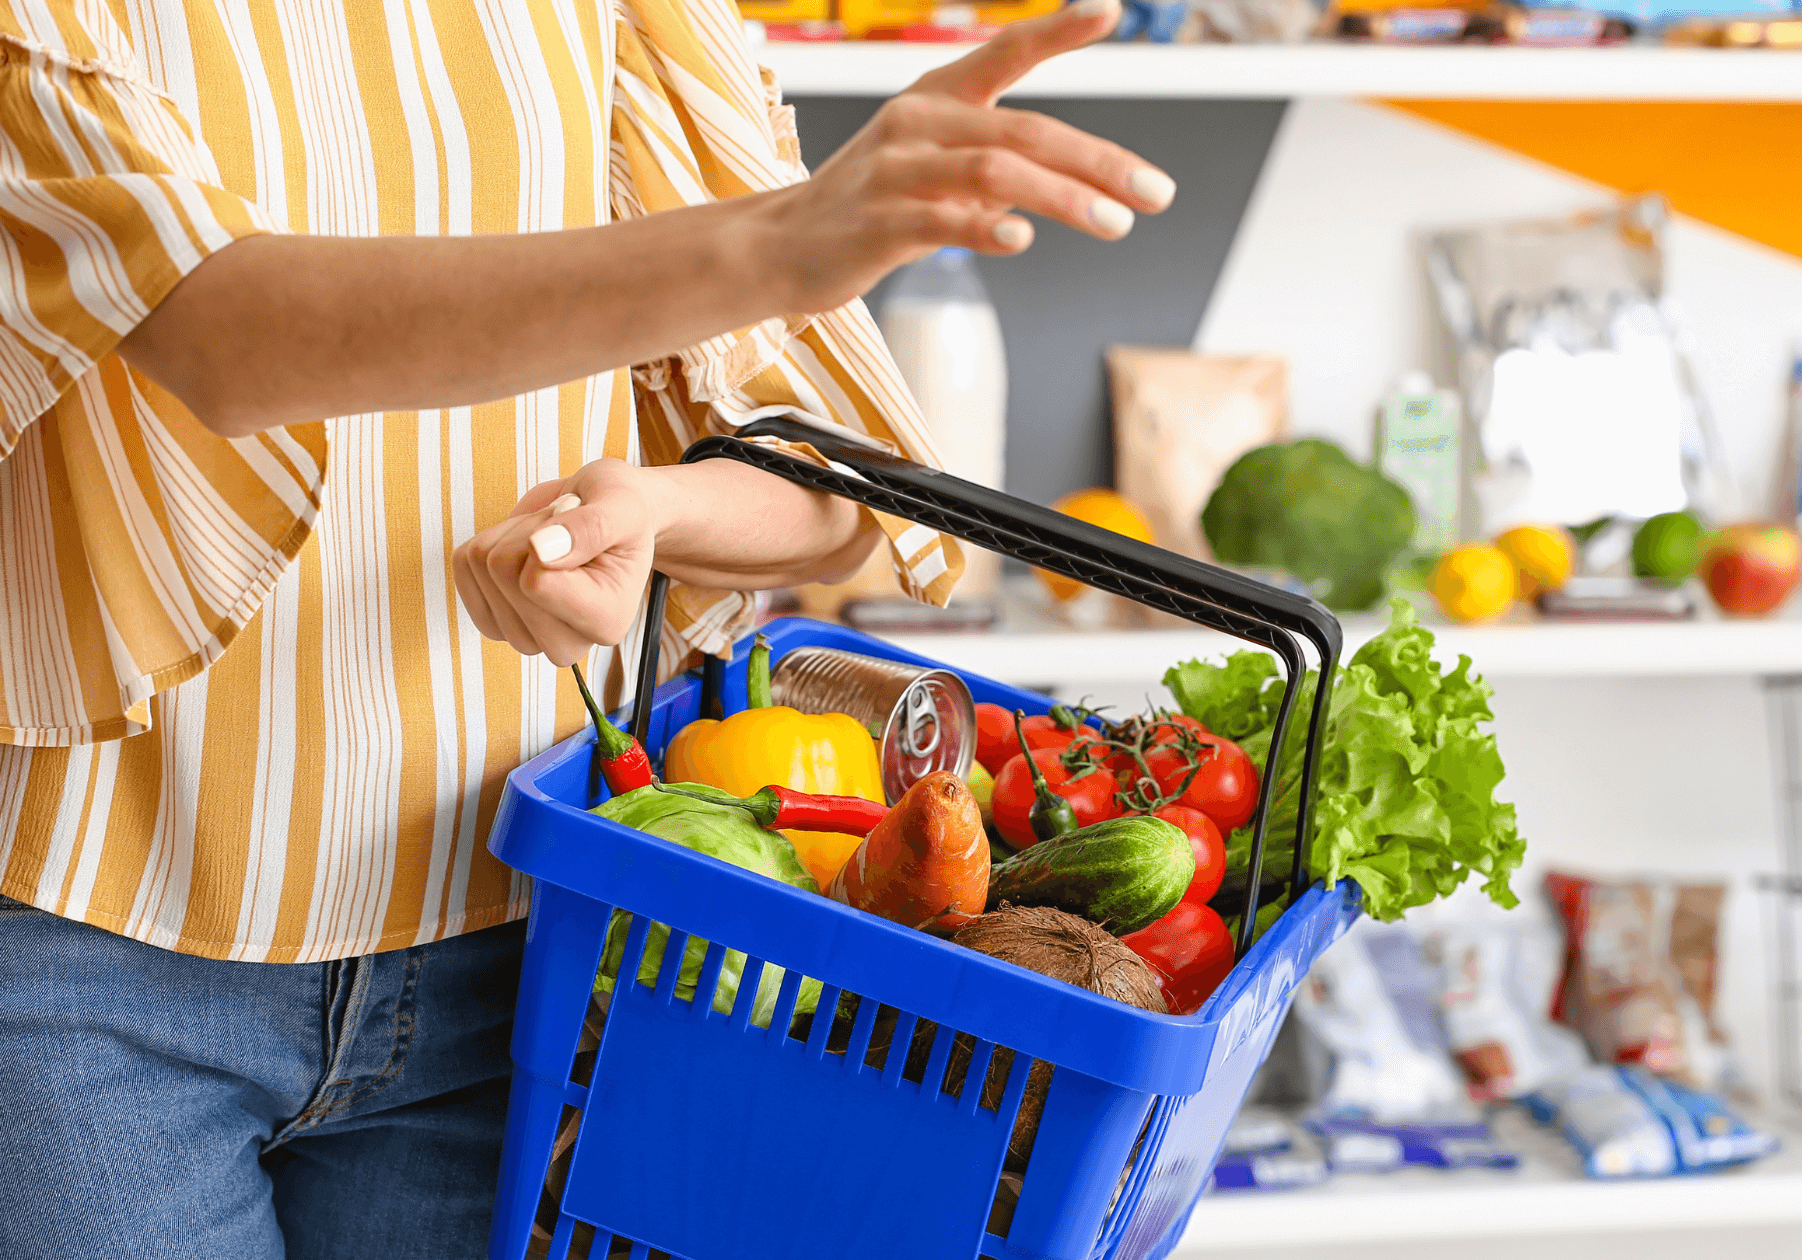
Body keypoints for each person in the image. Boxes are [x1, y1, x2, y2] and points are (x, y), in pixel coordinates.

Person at [0, 0, 1171, 1256]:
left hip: (520, 964)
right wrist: (771, 245)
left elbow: (844, 493)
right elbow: (218, 328)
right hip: (100, 965)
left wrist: (660, 504)